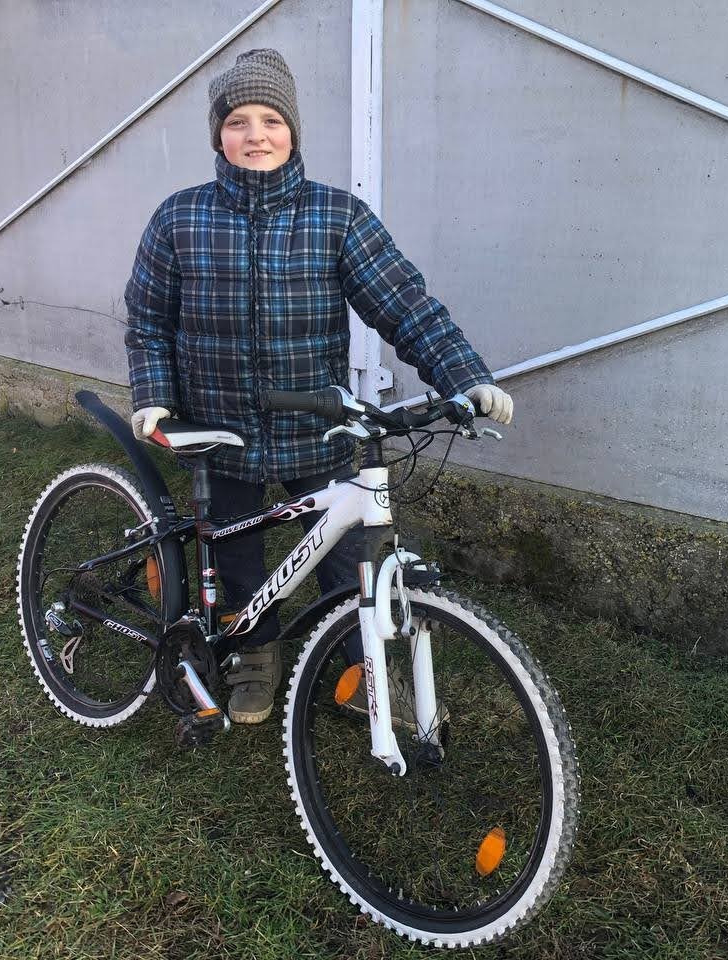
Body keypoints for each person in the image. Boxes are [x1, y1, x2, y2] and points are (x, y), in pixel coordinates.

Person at [124, 48, 513, 725]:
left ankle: (361, 664)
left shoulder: (338, 217)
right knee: (236, 557)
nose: (256, 136)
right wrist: (153, 394)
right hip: (220, 427)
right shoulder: (178, 219)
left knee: (345, 558)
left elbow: (405, 307)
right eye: (238, 121)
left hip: (316, 425)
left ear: (293, 131)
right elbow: (149, 319)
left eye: (271, 120)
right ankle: (255, 653)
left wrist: (465, 376)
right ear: (218, 135)